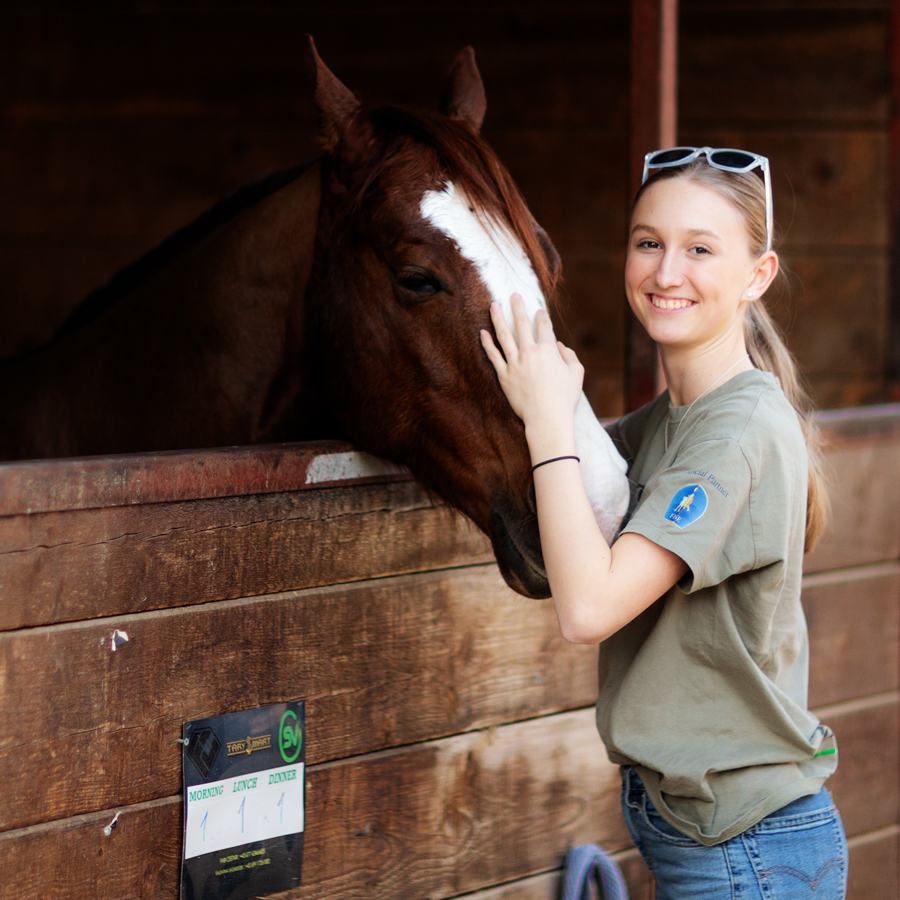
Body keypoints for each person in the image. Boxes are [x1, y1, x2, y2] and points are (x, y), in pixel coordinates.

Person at [480, 147, 847, 899]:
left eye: (700, 249)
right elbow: (555, 498)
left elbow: (588, 608)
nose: (665, 271)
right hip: (704, 835)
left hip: (747, 852)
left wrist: (550, 418)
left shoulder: (737, 431)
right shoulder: (670, 423)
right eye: (648, 242)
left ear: (758, 276)